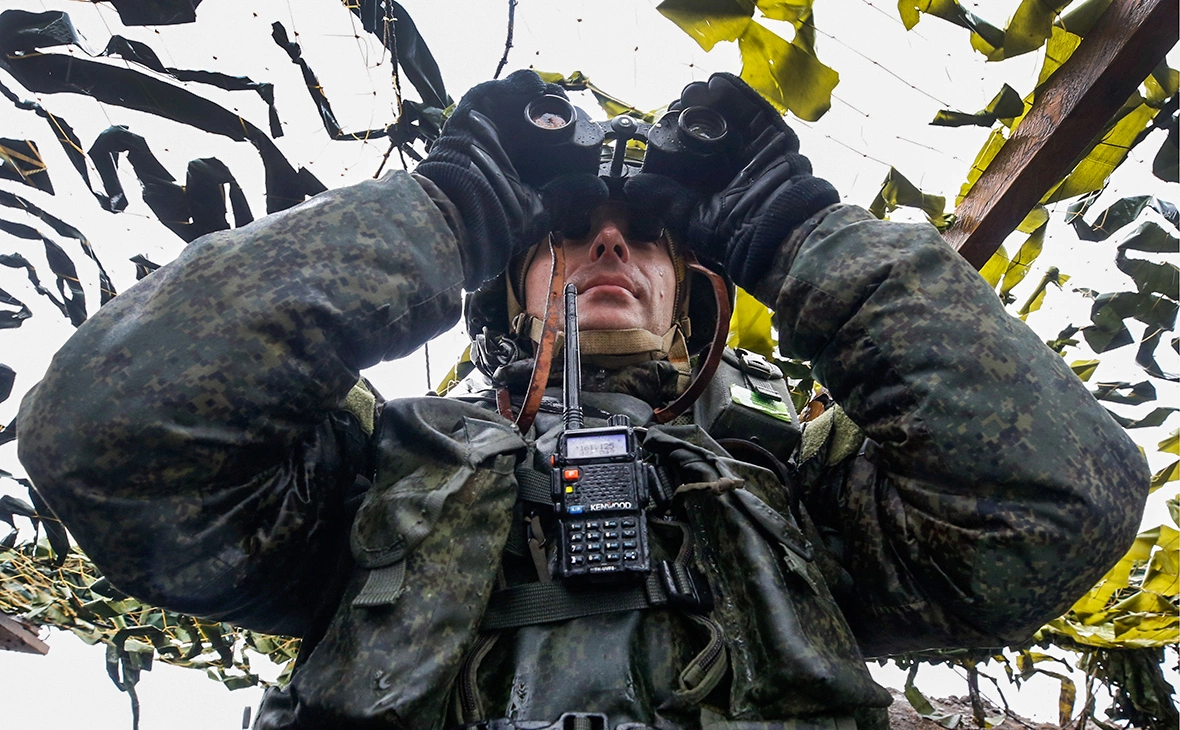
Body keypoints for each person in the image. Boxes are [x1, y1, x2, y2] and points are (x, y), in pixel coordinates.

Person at [15, 71, 1149, 730]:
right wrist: (450, 206)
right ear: (510, 293)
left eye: (646, 234)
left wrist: (792, 227)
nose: (607, 242)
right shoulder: (373, 461)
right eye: (562, 230)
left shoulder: (803, 486)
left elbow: (1057, 499)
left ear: (691, 304)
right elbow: (110, 430)